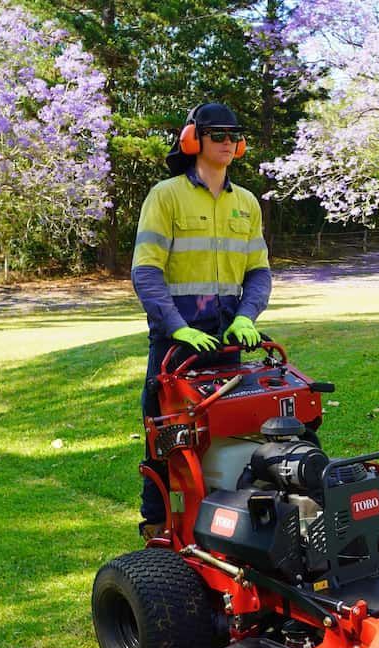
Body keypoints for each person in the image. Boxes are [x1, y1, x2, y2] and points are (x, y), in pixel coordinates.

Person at [131, 102, 271, 540]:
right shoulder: (166, 195)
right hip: (178, 342)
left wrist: (247, 316)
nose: (228, 143)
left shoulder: (246, 203)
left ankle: (224, 521)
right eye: (218, 135)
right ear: (194, 140)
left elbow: (259, 272)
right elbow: (146, 271)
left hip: (228, 338)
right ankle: (156, 525)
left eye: (234, 135)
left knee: (233, 426)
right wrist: (177, 326)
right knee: (163, 432)